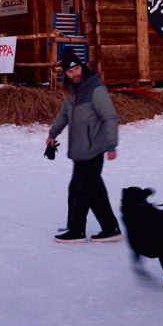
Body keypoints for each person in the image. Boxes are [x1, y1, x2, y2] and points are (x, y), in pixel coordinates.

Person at [45, 47, 121, 243]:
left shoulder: (95, 88)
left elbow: (110, 117)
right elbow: (64, 115)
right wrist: (53, 134)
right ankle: (110, 228)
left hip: (94, 148)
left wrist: (111, 145)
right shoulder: (71, 91)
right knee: (93, 190)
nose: (75, 74)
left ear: (81, 66)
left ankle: (76, 230)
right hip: (80, 150)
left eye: (76, 69)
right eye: (70, 71)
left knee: (79, 190)